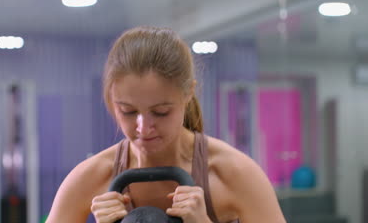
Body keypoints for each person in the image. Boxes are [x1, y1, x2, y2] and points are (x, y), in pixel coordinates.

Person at [47, 26, 286, 223]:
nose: (143, 127)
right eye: (128, 111)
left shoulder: (233, 173)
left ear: (188, 94)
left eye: (160, 112)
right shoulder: (90, 178)